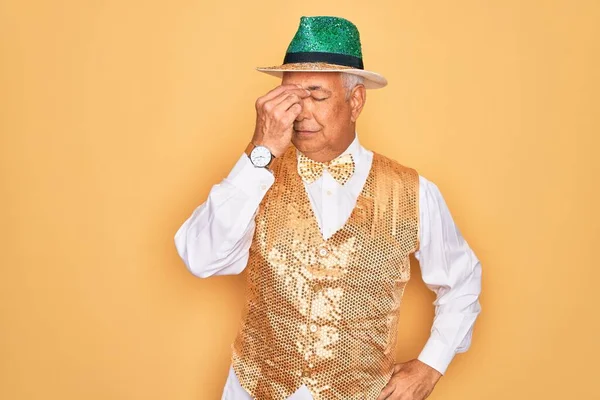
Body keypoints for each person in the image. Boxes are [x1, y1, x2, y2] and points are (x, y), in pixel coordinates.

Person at [174, 16, 482, 400]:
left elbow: (462, 279)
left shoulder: (413, 191)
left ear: (355, 101)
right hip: (255, 390)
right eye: (289, 98)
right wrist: (260, 153)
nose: (300, 113)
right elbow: (201, 259)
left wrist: (431, 364)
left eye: (317, 96)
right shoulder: (256, 178)